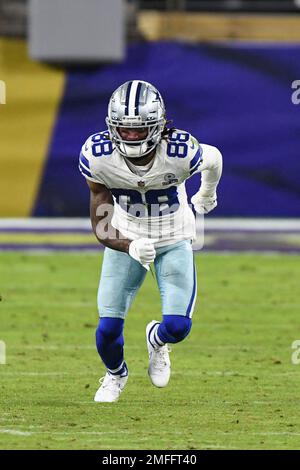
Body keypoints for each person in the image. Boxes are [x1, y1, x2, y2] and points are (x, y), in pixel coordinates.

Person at [79, 80, 222, 402]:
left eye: (139, 129)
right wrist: (129, 245)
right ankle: (116, 376)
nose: (130, 136)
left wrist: (207, 192)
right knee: (107, 330)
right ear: (111, 126)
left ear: (157, 126)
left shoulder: (180, 151)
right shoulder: (98, 156)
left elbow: (214, 159)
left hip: (173, 237)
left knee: (178, 327)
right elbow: (100, 225)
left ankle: (157, 340)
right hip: (127, 237)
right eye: (123, 129)